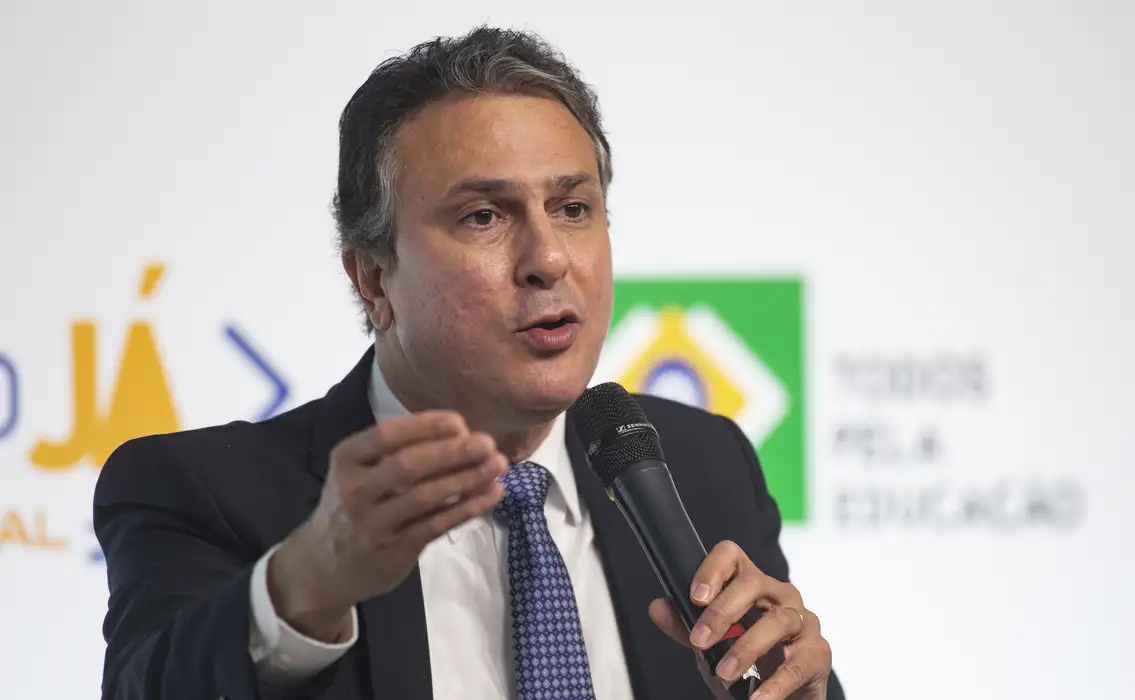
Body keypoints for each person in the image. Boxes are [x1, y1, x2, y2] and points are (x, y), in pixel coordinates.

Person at [94, 26, 845, 700]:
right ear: (373, 277)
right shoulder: (204, 492)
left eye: (573, 208)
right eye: (483, 216)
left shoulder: (702, 463)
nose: (548, 259)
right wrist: (303, 587)